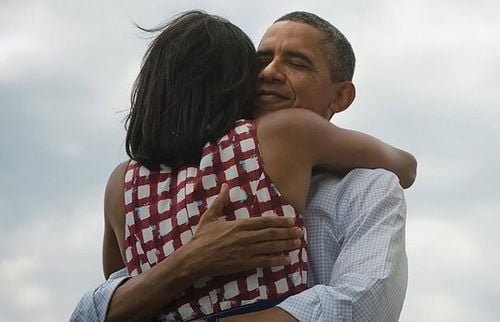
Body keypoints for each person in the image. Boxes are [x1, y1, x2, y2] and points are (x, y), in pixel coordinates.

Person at [71, 11, 413, 322]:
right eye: (259, 61)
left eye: (296, 63)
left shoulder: (125, 182)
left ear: (340, 97)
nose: (268, 73)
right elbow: (117, 293)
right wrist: (191, 258)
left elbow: (360, 307)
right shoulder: (280, 138)